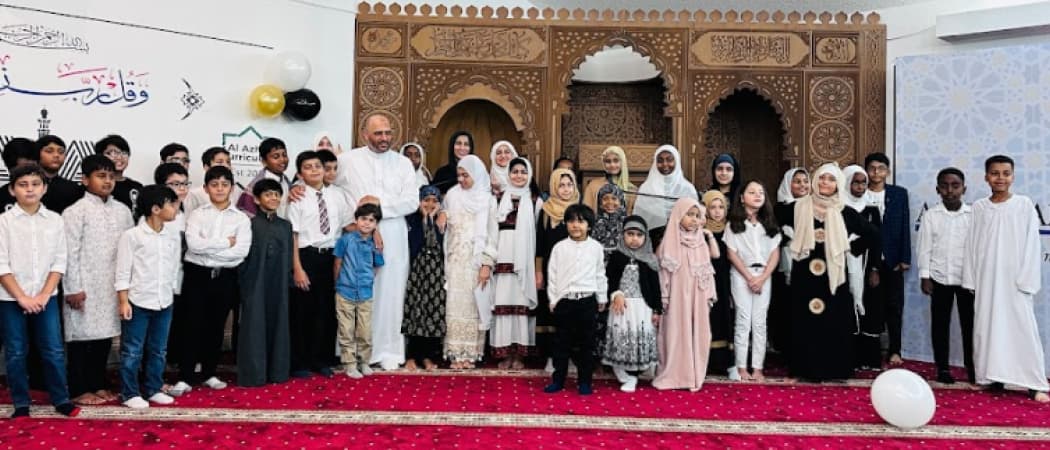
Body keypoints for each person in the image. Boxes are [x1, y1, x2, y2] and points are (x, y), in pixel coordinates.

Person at [327, 113, 419, 371]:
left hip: (393, 234)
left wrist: (378, 207)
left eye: (388, 133)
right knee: (356, 289)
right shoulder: (347, 160)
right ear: (365, 134)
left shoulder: (402, 163)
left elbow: (412, 201)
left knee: (391, 291)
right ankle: (352, 350)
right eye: (378, 133)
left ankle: (387, 349)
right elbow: (331, 187)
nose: (384, 138)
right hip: (358, 234)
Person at [963, 155, 1048, 402]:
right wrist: (971, 279)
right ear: (986, 177)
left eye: (1006, 173)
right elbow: (971, 244)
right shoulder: (979, 207)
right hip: (987, 278)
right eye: (995, 173)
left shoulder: (1023, 204)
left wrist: (1027, 278)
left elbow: (1032, 244)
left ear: (1013, 176)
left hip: (1015, 280)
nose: (1000, 178)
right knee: (987, 328)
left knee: (1022, 328)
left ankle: (1033, 383)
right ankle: (990, 377)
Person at [780, 163, 876, 381]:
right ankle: (804, 369)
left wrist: (849, 248)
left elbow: (873, 235)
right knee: (804, 321)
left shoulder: (844, 212)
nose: (825, 182)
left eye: (831, 179)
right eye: (822, 178)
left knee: (833, 321)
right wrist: (788, 241)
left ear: (838, 184)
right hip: (804, 275)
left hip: (834, 276)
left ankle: (834, 369)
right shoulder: (797, 207)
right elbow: (771, 223)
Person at [0, 164, 80, 418]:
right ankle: (21, 403)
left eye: (35, 184)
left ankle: (61, 399)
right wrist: (22, 297)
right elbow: (1, 264)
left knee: (53, 349)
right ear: (12, 190)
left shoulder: (55, 221)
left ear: (45, 188)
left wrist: (45, 294)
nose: (30, 189)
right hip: (10, 298)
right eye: (22, 185)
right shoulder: (3, 222)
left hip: (46, 297)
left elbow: (59, 261)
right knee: (15, 352)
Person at [61, 155, 134, 405]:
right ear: (85, 179)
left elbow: (130, 250)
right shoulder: (75, 212)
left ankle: (97, 383)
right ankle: (78, 388)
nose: (107, 181)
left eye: (111, 176)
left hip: (112, 286)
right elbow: (68, 253)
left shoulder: (123, 211)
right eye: (101, 176)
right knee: (81, 339)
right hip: (84, 286)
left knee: (104, 337)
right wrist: (73, 288)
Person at [175, 166, 251, 392]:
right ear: (206, 188)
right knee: (191, 325)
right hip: (197, 275)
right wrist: (226, 242)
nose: (220, 189)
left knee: (216, 326)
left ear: (231, 188)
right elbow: (194, 246)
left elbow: (241, 252)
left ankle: (209, 372)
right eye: (214, 184)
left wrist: (210, 249)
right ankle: (185, 376)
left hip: (225, 277)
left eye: (224, 184)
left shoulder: (241, 219)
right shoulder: (197, 214)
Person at [115, 185, 181, 409]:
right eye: (171, 204)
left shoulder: (172, 235)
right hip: (138, 301)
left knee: (159, 349)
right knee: (132, 350)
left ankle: (153, 387)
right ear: (155, 209)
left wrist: (172, 292)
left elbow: (174, 266)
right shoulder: (132, 236)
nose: (175, 208)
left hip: (164, 301)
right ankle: (129, 392)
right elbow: (123, 271)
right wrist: (123, 301)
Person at [288, 151, 353, 378]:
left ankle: (322, 359)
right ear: (300, 174)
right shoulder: (296, 197)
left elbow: (348, 225)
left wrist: (374, 230)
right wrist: (297, 268)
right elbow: (293, 235)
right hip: (306, 256)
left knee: (326, 310)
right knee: (302, 311)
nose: (314, 170)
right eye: (308, 167)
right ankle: (300, 362)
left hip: (331, 257)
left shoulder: (337, 195)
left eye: (317, 166)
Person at [652, 198, 719, 392]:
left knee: (698, 333)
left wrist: (708, 295)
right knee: (675, 333)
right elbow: (662, 272)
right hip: (676, 297)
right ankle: (675, 375)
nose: (693, 219)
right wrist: (664, 297)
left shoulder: (701, 242)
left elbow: (710, 266)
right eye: (689, 214)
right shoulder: (669, 241)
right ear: (678, 215)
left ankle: (694, 376)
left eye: (697, 215)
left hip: (697, 296)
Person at [917, 167, 973, 384]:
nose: (950, 190)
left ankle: (972, 367)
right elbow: (924, 248)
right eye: (945, 186)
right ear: (937, 189)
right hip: (939, 278)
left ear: (964, 189)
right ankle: (943, 368)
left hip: (967, 279)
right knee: (940, 325)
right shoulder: (931, 215)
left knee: (970, 325)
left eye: (955, 186)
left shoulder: (973, 215)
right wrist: (925, 276)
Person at [543, 204, 607, 395]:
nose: (575, 225)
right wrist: (553, 299)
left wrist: (602, 297)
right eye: (571, 221)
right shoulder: (559, 247)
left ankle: (585, 382)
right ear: (566, 224)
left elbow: (600, 274)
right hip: (565, 301)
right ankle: (558, 380)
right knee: (562, 343)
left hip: (587, 301)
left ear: (589, 225)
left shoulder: (596, 248)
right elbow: (552, 275)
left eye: (581, 221)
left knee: (587, 344)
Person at [443, 155, 497, 369]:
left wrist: (487, 263)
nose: (461, 179)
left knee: (475, 306)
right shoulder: (452, 195)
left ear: (477, 174)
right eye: (459, 175)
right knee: (455, 304)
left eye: (466, 175)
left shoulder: (487, 199)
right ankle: (455, 353)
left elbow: (493, 234)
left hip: (476, 261)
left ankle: (471, 354)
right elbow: (447, 228)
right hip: (456, 260)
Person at [236, 179, 292, 387]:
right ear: (257, 200)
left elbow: (288, 256)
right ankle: (254, 375)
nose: (273, 198)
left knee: (279, 322)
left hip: (279, 284)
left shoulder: (285, 226)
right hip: (255, 283)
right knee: (254, 325)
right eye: (268, 194)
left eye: (277, 194)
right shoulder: (249, 224)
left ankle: (278, 372)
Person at [724, 180, 781, 383]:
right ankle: (741, 366)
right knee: (743, 319)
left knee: (759, 321)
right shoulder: (734, 225)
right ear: (742, 198)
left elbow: (775, 253)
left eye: (761, 192)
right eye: (752, 192)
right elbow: (731, 253)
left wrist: (762, 278)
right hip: (742, 274)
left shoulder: (770, 224)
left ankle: (758, 368)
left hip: (764, 274)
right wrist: (749, 278)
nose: (757, 195)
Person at [490, 157, 541, 369]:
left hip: (525, 259)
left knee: (521, 304)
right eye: (515, 171)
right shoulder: (497, 198)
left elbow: (539, 234)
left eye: (523, 171)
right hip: (502, 256)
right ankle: (504, 353)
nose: (519, 175)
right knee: (503, 303)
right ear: (508, 174)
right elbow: (492, 229)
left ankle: (519, 354)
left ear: (529, 175)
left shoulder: (536, 200)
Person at [602, 215, 661, 393]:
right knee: (621, 338)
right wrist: (616, 294)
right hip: (621, 306)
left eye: (639, 235)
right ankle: (622, 371)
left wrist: (657, 309)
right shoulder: (616, 256)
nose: (634, 239)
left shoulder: (649, 259)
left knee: (637, 340)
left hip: (642, 307)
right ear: (623, 235)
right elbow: (609, 279)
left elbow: (655, 287)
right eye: (630, 234)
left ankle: (633, 376)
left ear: (645, 237)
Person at [864, 152, 910, 366]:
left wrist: (905, 257)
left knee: (894, 306)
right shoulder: (859, 192)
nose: (876, 172)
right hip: (867, 261)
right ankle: (870, 351)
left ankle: (895, 350)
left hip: (892, 261)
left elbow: (905, 226)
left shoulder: (899, 194)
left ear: (888, 171)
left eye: (881, 168)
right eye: (872, 168)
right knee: (871, 306)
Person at [334, 203, 385, 379]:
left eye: (371, 220)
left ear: (376, 224)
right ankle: (349, 364)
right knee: (346, 330)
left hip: (365, 293)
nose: (367, 223)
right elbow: (338, 263)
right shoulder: (345, 240)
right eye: (363, 219)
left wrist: (367, 280)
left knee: (365, 331)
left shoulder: (376, 244)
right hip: (345, 291)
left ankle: (364, 362)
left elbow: (377, 266)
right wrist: (338, 284)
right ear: (356, 220)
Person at [535, 168, 579, 370]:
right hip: (551, 270)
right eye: (561, 185)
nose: (566, 189)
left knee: (572, 314)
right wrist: (538, 272)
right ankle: (552, 358)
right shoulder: (546, 211)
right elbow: (539, 244)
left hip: (575, 270)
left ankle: (569, 358)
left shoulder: (580, 211)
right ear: (554, 187)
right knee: (551, 312)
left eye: (570, 184)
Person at [842, 165, 884, 370]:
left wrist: (875, 268)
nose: (859, 186)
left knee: (870, 308)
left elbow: (877, 239)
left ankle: (869, 358)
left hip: (867, 267)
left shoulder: (871, 209)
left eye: (863, 183)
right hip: (844, 265)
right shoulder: (839, 208)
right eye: (855, 182)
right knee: (848, 308)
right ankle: (850, 359)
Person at [402, 185, 447, 371]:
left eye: (434, 201)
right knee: (416, 312)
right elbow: (419, 242)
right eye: (426, 200)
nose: (430, 204)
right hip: (417, 273)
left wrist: (432, 219)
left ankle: (428, 356)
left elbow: (437, 242)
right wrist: (425, 219)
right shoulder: (411, 220)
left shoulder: (442, 221)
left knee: (433, 312)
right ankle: (412, 356)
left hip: (436, 274)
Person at [770, 168, 809, 364]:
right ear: (788, 184)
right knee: (785, 306)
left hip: (809, 265)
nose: (802, 185)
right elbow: (772, 235)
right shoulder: (779, 209)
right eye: (797, 181)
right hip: (784, 266)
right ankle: (784, 351)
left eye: (805, 181)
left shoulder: (814, 207)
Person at [634, 145, 698, 249]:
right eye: (660, 161)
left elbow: (694, 219)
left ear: (677, 161)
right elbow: (639, 221)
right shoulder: (646, 188)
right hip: (651, 244)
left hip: (682, 244)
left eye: (669, 160)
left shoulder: (687, 189)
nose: (665, 164)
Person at [701, 190, 734, 376]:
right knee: (708, 319)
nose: (717, 211)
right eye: (712, 207)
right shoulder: (701, 230)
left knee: (724, 318)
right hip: (707, 280)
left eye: (721, 207)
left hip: (725, 280)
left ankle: (725, 362)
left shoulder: (731, 229)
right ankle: (706, 362)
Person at [237, 137, 291, 217]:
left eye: (284, 155)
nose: (282, 159)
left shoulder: (286, 181)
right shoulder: (256, 185)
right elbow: (248, 216)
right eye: (276, 157)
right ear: (264, 161)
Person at [184, 147, 244, 214]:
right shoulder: (195, 194)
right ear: (206, 167)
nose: (226, 166)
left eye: (228, 162)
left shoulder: (238, 190)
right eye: (220, 162)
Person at [582, 146, 636, 215]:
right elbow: (586, 213)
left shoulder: (631, 189)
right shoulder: (593, 186)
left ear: (622, 162)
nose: (612, 165)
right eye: (608, 161)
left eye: (616, 161)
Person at [95, 135, 143, 211]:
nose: (119, 157)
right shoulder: (94, 186)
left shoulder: (137, 187)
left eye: (124, 153)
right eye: (111, 153)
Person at [37, 135, 84, 213]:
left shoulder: (74, 189)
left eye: (61, 152)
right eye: (49, 151)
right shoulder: (27, 186)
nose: (56, 155)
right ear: (37, 154)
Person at [1, 137, 38, 212]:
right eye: (24, 169)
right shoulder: (1, 197)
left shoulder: (51, 195)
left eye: (33, 168)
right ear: (11, 169)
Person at [591, 183, 627, 256]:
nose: (610, 202)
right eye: (605, 199)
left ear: (621, 201)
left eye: (614, 198)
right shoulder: (592, 223)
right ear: (600, 203)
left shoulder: (628, 224)